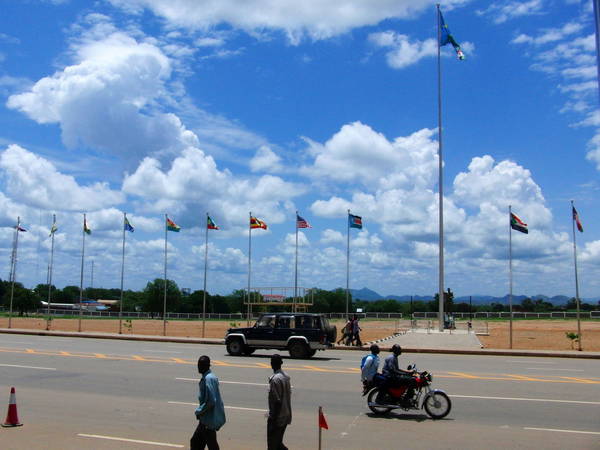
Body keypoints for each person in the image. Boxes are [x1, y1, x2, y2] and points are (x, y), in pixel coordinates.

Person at [191, 355, 226, 450]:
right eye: (198, 364)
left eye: (201, 365)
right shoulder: (210, 377)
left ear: (207, 366)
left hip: (208, 420)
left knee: (209, 444)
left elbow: (211, 401)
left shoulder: (208, 379)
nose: (198, 366)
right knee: (196, 442)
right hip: (206, 419)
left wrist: (199, 411)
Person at [267, 354, 292, 450]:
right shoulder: (286, 377)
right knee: (278, 443)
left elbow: (277, 402)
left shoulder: (275, 380)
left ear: (272, 364)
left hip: (278, 418)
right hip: (286, 415)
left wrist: (273, 420)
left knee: (272, 445)